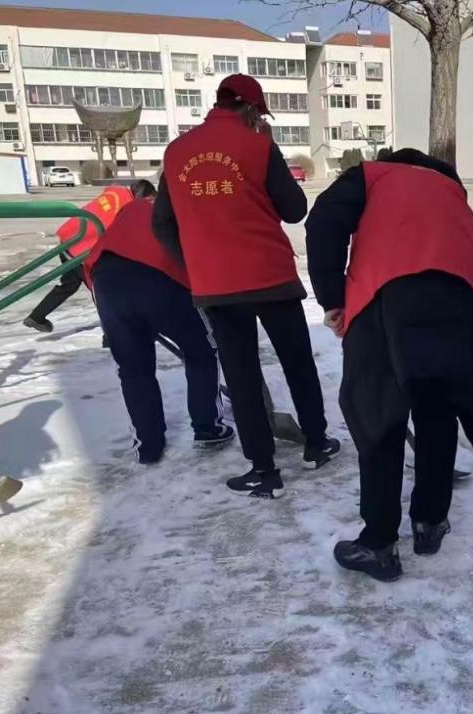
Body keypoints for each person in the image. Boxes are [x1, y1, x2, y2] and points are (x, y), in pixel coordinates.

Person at [305, 148, 473, 582]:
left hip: (387, 299)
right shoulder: (450, 188)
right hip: (459, 302)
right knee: (438, 411)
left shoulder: (372, 176)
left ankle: (378, 544)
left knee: (379, 418)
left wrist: (332, 298)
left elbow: (322, 221)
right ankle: (430, 522)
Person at [153, 73, 338, 497]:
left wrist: (196, 267)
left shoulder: (176, 152)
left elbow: (162, 225)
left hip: (217, 286)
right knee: (297, 363)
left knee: (242, 378)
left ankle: (263, 470)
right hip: (271, 277)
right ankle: (316, 444)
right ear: (253, 110)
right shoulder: (259, 145)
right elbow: (294, 209)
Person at [88, 181, 233, 464]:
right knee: (202, 352)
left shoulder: (129, 210)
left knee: (133, 370)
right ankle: (208, 428)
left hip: (106, 282)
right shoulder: (180, 208)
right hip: (162, 280)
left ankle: (148, 445)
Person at [24, 183, 135, 333]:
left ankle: (37, 316)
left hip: (69, 238)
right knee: (101, 289)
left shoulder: (117, 192)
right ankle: (112, 330)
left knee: (70, 284)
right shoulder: (128, 208)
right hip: (81, 248)